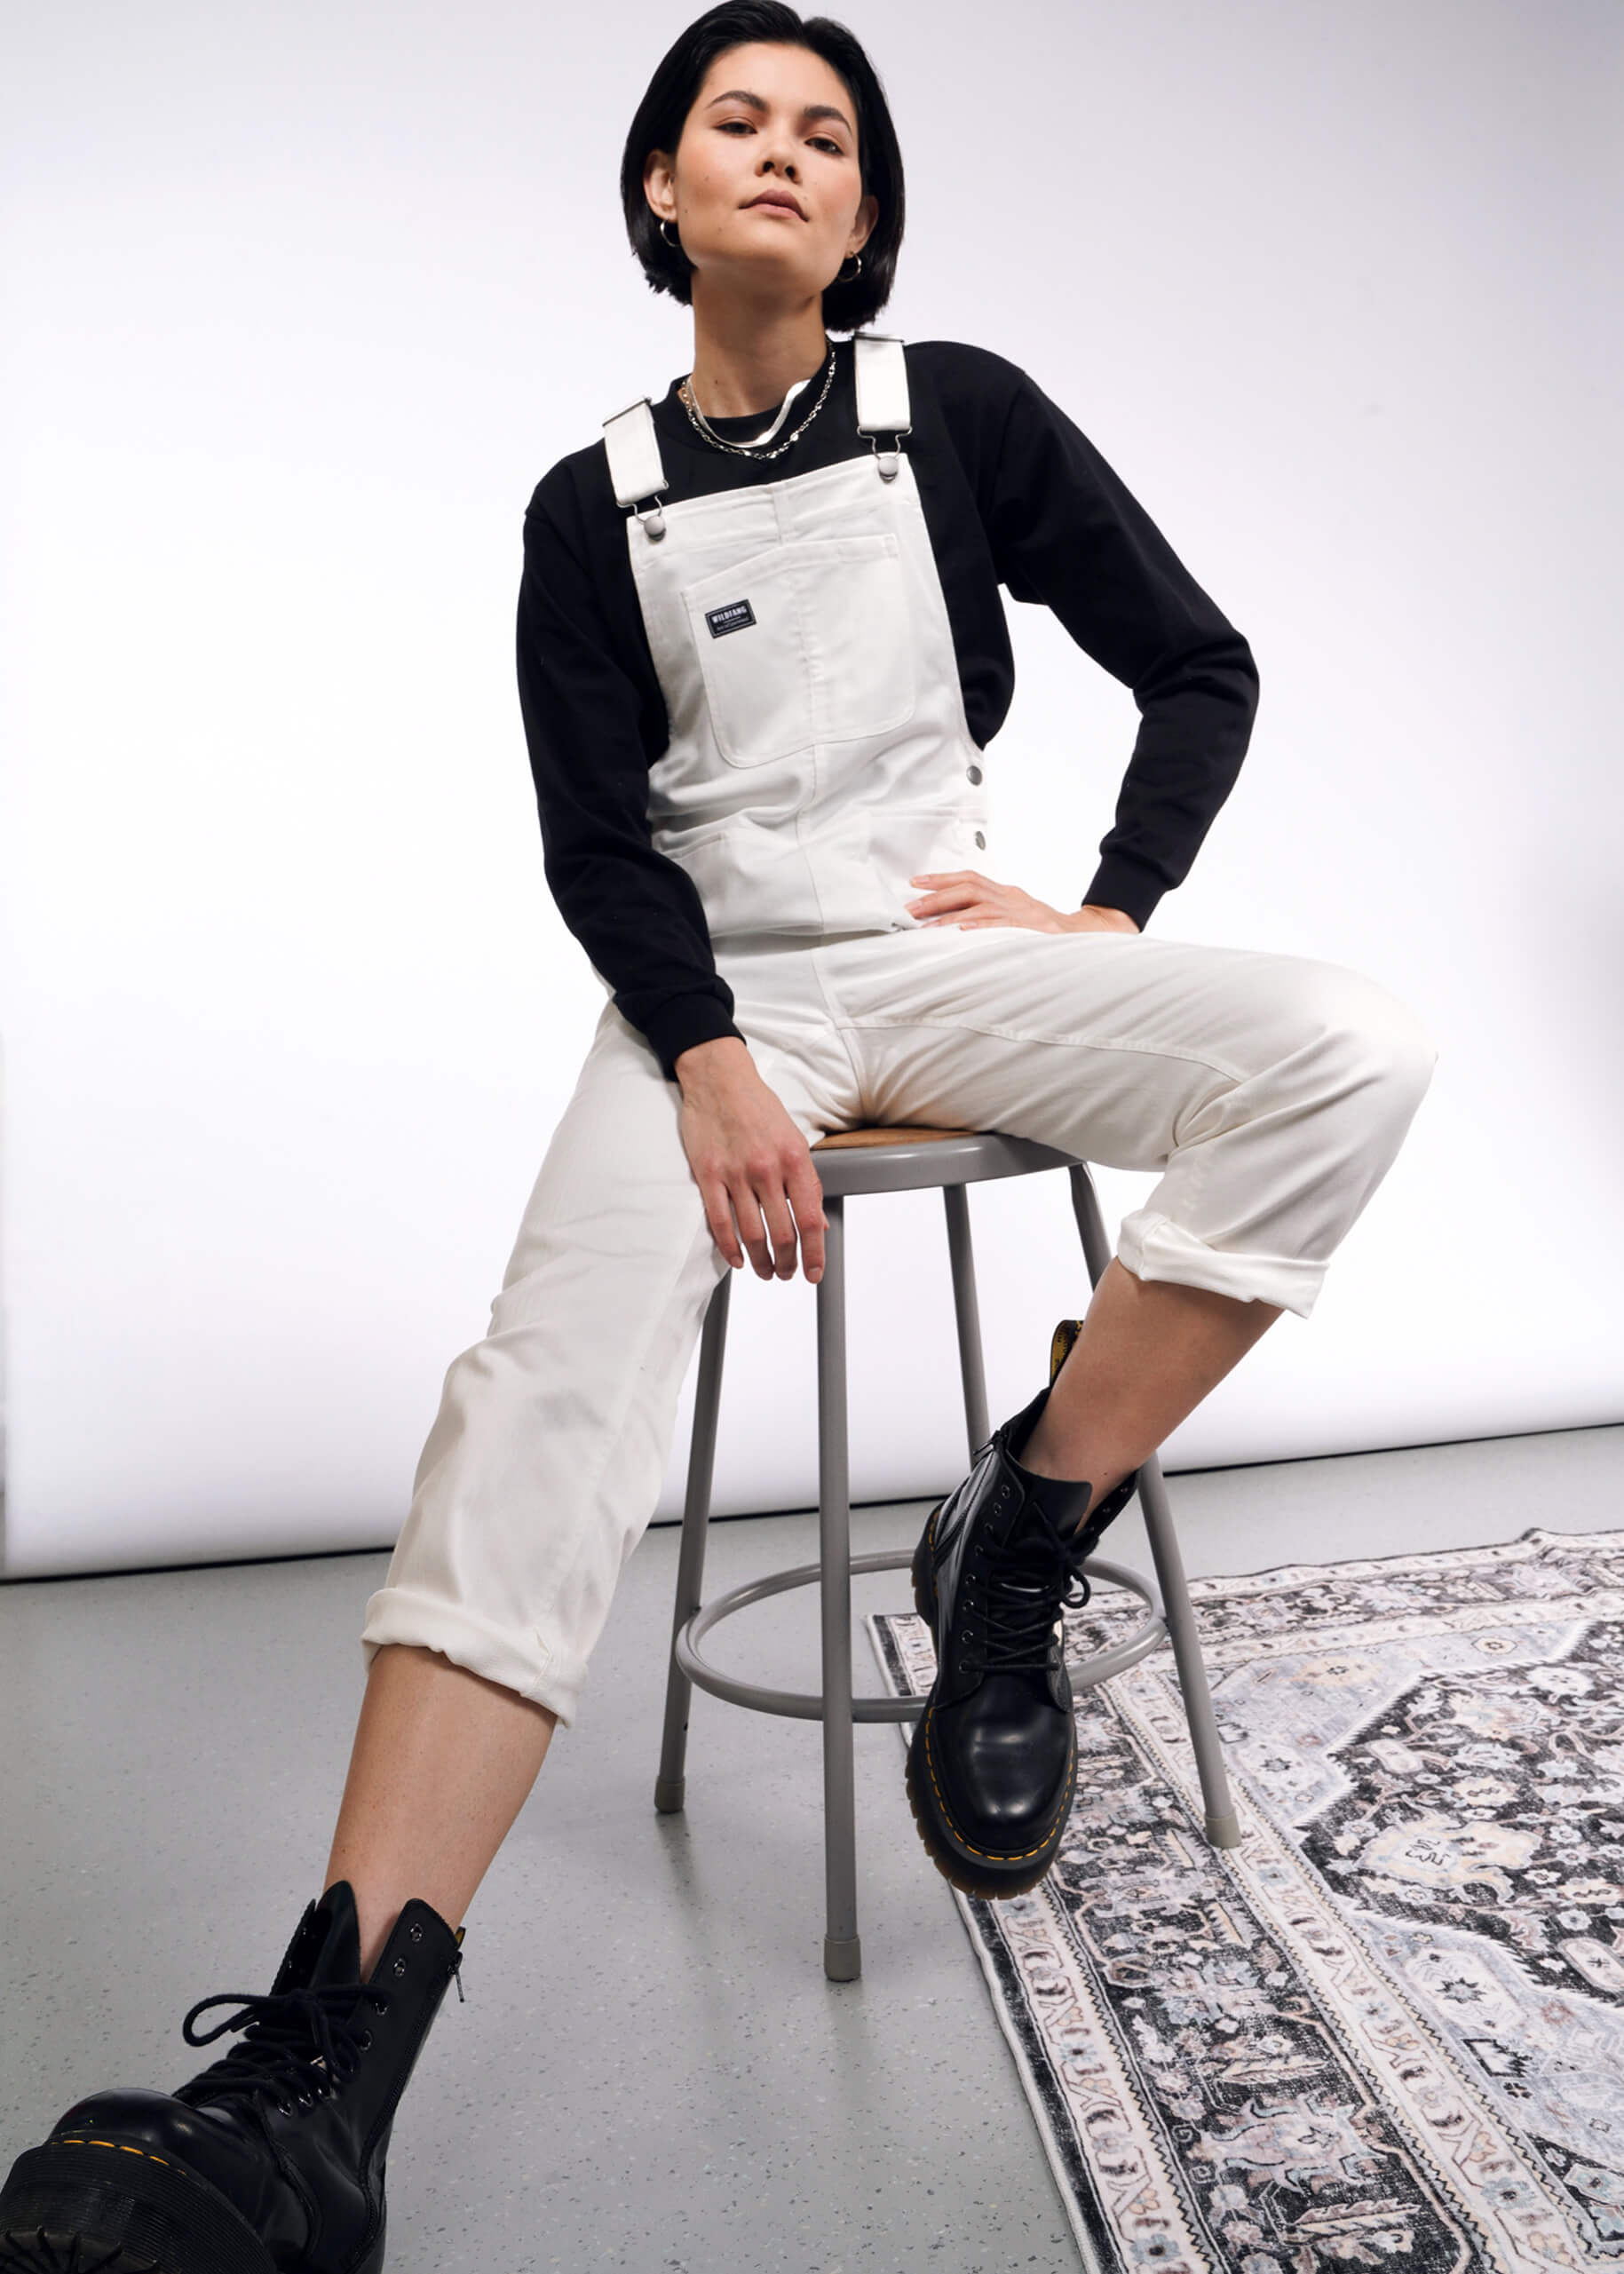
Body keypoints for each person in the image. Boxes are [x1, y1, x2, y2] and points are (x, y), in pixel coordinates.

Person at [0, 4, 1438, 2267]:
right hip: (722, 1000)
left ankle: (1024, 1526)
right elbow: (598, 846)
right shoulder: (588, 507)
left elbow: (1204, 663)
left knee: (1350, 1046)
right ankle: (315, 2091)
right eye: (735, 122)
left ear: (863, 213)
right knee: (541, 1396)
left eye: (829, 134)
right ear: (661, 189)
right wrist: (702, 1054)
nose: (783, 153)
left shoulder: (955, 410)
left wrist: (1108, 911)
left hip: (952, 956)